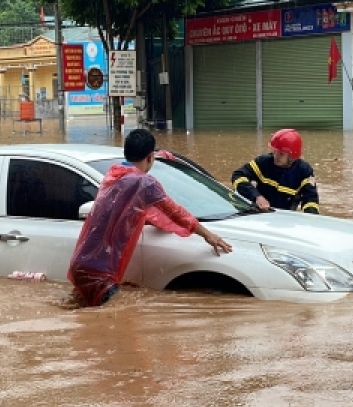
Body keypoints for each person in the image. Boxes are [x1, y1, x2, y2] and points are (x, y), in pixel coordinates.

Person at [68, 128, 232, 307]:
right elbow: (175, 212)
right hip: (99, 271)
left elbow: (128, 211)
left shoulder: (114, 174)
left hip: (82, 264)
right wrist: (208, 235)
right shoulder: (144, 183)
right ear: (150, 157)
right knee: (123, 317)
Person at [231, 128, 320, 214]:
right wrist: (256, 196)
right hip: (259, 214)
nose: (276, 157)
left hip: (285, 218)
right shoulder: (263, 162)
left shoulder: (304, 171)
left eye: (281, 154)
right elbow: (238, 176)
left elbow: (310, 200)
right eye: (275, 151)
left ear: (292, 157)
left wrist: (311, 220)